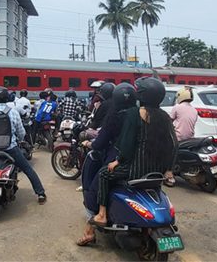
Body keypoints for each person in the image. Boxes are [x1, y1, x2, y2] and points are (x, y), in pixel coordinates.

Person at [88, 77, 178, 227]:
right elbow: (175, 144)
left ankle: (102, 215)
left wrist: (118, 160)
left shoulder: (133, 113)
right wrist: (169, 170)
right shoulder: (164, 117)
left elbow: (127, 143)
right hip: (159, 171)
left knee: (104, 174)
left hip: (135, 171)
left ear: (141, 95)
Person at [76, 83, 138, 246]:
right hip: (140, 161)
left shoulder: (114, 115)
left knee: (94, 190)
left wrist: (90, 144)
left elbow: (100, 141)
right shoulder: (141, 114)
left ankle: (89, 232)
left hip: (117, 158)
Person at [0, 86, 47, 205]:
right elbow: (21, 133)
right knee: (27, 168)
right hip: (10, 149)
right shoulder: (13, 112)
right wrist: (19, 139)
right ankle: (40, 193)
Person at [164, 87, 198, 187]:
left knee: (165, 151)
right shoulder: (194, 110)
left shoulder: (177, 107)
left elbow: (169, 121)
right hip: (190, 137)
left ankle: (169, 173)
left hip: (178, 137)